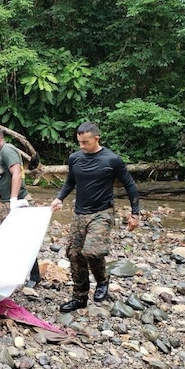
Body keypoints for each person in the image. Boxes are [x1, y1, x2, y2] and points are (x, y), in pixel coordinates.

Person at [50, 122, 140, 312]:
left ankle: (102, 280)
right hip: (79, 213)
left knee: (91, 251)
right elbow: (70, 183)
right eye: (79, 142)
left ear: (96, 139)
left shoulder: (112, 159)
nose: (82, 146)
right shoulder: (75, 158)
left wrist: (135, 213)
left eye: (86, 142)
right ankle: (79, 297)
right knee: (74, 255)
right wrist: (59, 198)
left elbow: (130, 185)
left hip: (102, 212)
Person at [0, 126, 41, 289]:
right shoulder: (0, 153)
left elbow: (16, 173)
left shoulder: (8, 150)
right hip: (4, 201)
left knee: (23, 239)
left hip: (15, 201)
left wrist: (14, 200)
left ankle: (34, 275)